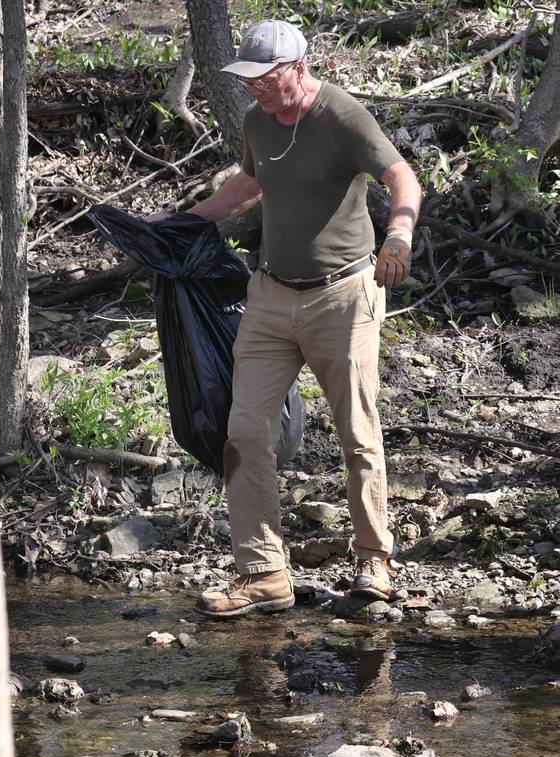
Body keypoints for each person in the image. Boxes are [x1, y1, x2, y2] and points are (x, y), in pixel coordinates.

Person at [171, 20, 422, 617]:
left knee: (357, 434)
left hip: (343, 296)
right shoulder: (258, 123)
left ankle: (374, 562)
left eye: (265, 77)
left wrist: (400, 233)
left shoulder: (341, 116)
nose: (254, 88)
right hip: (269, 298)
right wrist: (173, 225)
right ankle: (263, 576)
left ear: (298, 68)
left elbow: (400, 175)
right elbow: (248, 187)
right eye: (248, 79)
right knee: (245, 432)